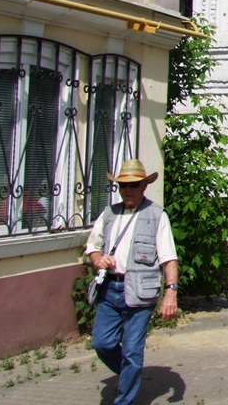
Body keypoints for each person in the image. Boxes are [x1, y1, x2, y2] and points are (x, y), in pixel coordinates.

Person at [85, 159, 178, 405]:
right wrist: (98, 260)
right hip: (110, 290)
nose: (128, 190)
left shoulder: (157, 215)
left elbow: (169, 258)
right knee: (102, 343)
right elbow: (92, 247)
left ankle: (124, 399)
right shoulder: (109, 214)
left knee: (132, 351)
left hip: (140, 292)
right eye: (123, 186)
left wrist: (171, 293)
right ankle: (131, 371)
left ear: (144, 186)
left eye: (134, 185)